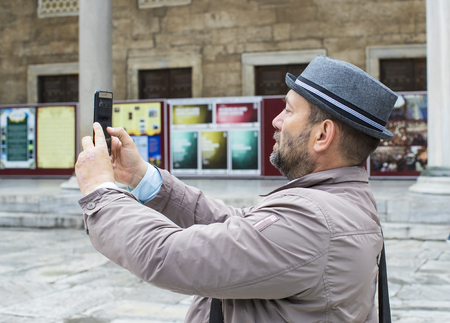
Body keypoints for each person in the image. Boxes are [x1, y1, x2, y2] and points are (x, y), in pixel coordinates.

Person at [75, 56, 397, 323]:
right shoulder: (343, 203)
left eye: (288, 110)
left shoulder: (314, 222)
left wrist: (100, 192)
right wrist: (141, 176)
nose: (276, 121)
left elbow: (169, 256)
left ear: (323, 135)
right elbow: (237, 227)